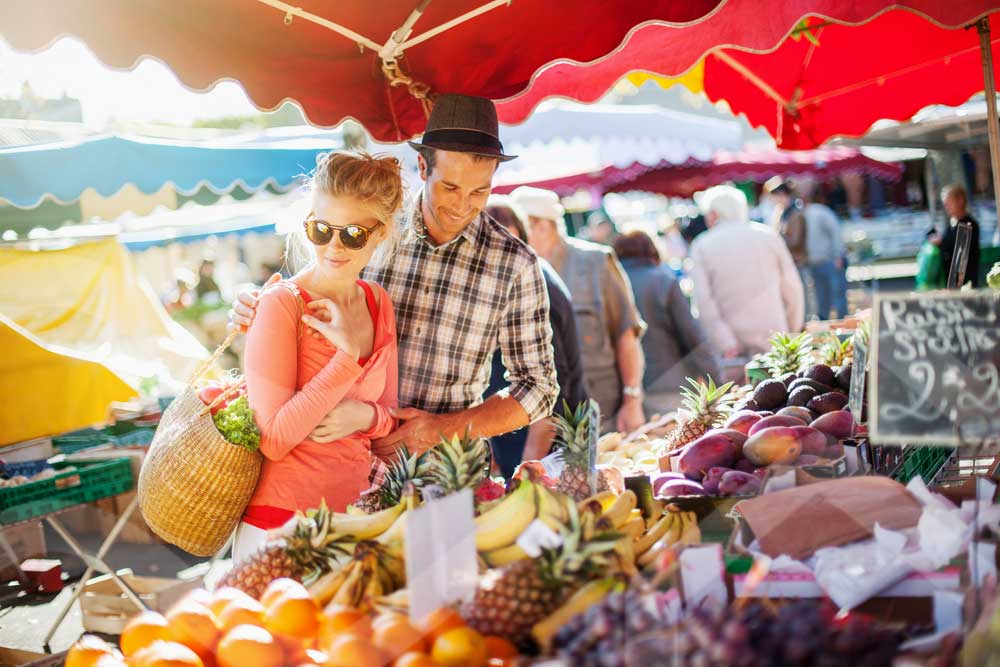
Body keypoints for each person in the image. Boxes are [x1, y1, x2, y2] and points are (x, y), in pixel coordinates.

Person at [231, 94, 558, 458]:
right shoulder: (370, 226)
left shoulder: (515, 264)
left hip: (445, 468)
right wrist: (257, 309)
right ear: (423, 166)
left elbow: (539, 389)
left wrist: (441, 429)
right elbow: (304, 294)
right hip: (348, 459)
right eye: (450, 188)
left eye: (480, 191)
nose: (463, 205)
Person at [235, 152, 403, 562]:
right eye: (321, 229)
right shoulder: (282, 303)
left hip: (356, 523)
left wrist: (366, 417)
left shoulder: (378, 302)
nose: (333, 247)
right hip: (283, 530)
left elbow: (389, 417)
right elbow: (274, 440)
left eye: (353, 235)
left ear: (380, 234)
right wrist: (346, 359)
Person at [511, 186, 646, 434]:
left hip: (604, 413)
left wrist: (632, 400)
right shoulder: (517, 273)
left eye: (519, 227)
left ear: (542, 227)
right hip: (544, 423)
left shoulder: (596, 261)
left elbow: (626, 334)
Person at [485, 197, 587, 474]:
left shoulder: (535, 286)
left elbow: (552, 389)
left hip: (549, 456)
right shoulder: (517, 279)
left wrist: (527, 470)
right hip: (521, 449)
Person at [687, 185, 805, 358]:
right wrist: (791, 329)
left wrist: (724, 341)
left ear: (713, 214)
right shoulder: (769, 236)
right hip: (774, 338)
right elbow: (792, 289)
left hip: (732, 347)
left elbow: (703, 302)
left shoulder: (701, 245)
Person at [613, 230, 721, 416]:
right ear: (652, 250)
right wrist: (716, 379)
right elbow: (692, 336)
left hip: (626, 393)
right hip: (670, 385)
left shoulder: (610, 286)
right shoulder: (663, 281)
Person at [763, 177, 811, 317]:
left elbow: (795, 241)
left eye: (775, 196)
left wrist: (776, 240)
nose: (773, 200)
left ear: (783, 195)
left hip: (797, 262)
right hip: (788, 262)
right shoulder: (781, 213)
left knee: (800, 298)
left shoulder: (795, 213)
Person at [803, 192, 847, 320]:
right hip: (815, 262)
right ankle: (825, 323)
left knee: (837, 296)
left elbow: (835, 232)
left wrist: (838, 255)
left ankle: (843, 322)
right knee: (821, 297)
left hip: (830, 261)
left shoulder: (821, 212)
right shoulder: (801, 215)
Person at [929, 183, 981, 287]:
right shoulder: (952, 223)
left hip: (964, 286)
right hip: (950, 285)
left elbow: (961, 262)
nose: (946, 206)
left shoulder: (968, 225)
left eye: (949, 201)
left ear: (960, 200)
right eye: (945, 203)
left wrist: (941, 243)